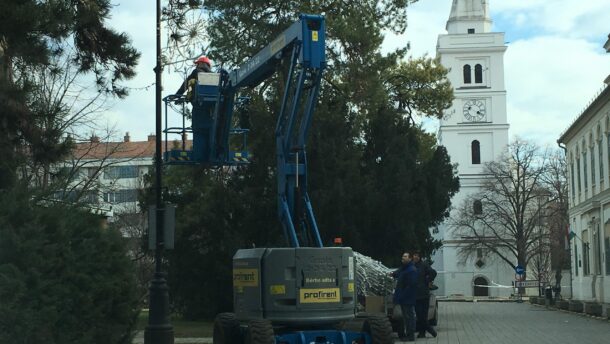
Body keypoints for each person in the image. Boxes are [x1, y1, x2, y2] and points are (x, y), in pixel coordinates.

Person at [391, 252, 418, 342]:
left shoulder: (412, 270)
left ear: (410, 259)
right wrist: (392, 274)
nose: (403, 257)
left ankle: (411, 336)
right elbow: (397, 273)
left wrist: (402, 295)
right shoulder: (404, 268)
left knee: (409, 317)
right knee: (406, 317)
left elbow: (411, 285)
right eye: (402, 256)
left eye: (405, 256)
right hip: (403, 298)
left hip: (407, 299)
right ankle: (408, 334)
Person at [412, 251, 437, 339]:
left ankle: (426, 331)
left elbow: (433, 272)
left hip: (424, 294)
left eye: (417, 256)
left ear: (420, 257)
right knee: (419, 315)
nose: (416, 257)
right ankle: (425, 331)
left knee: (423, 315)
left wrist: (427, 281)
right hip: (416, 295)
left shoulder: (424, 265)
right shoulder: (411, 266)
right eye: (414, 255)